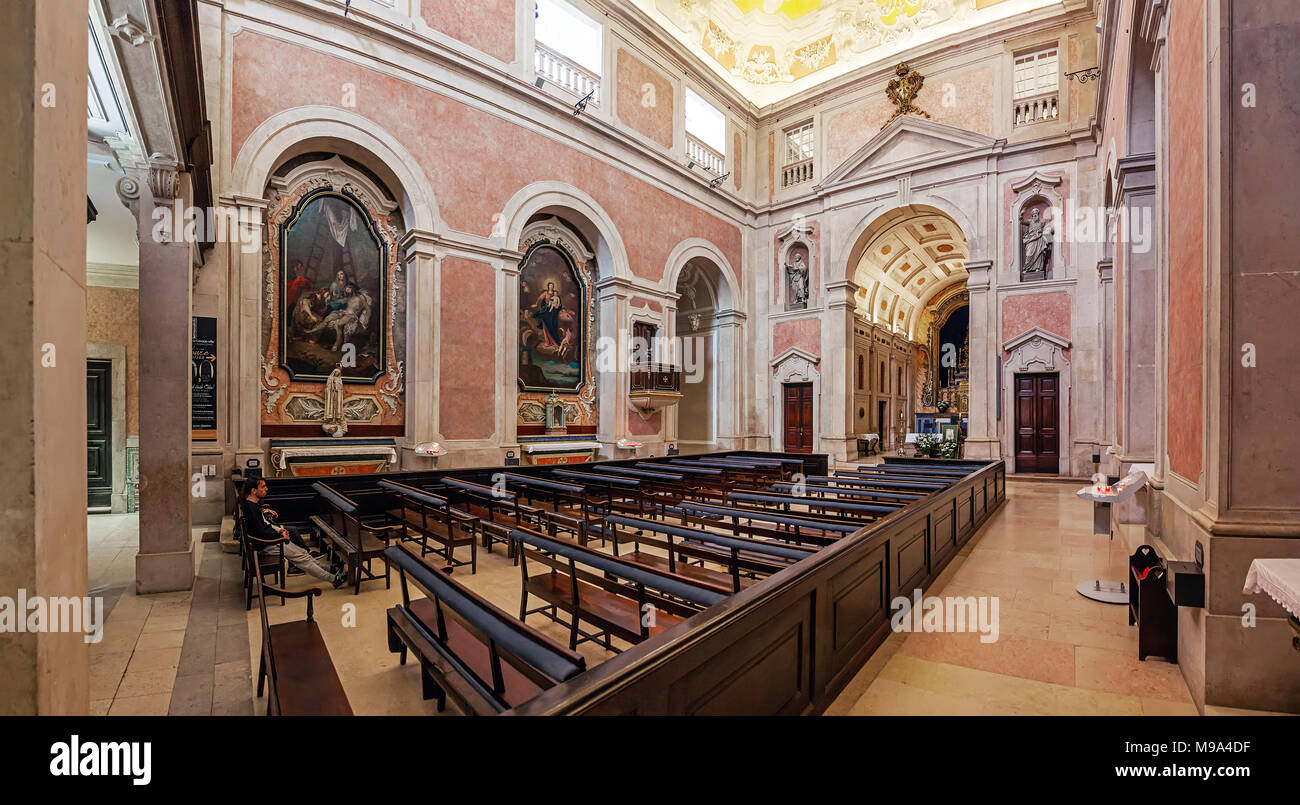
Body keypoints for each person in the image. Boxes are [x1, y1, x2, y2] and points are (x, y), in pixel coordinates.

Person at [241, 478, 345, 587]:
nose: (266, 489)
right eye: (263, 487)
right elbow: (261, 533)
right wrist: (280, 535)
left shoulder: (252, 504)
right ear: (253, 490)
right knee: (302, 559)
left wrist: (280, 531)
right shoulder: (251, 508)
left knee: (303, 553)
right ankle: (333, 579)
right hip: (266, 546)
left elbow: (264, 525)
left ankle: (330, 569)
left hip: (270, 541)